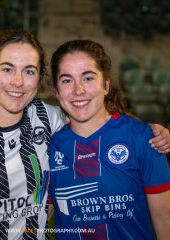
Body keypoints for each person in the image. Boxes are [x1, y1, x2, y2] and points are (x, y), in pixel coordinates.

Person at [0, 29, 169, 240]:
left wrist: (152, 132)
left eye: (29, 71)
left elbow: (96, 116)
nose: (18, 81)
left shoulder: (49, 118)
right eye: (7, 69)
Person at [49, 39, 170, 240]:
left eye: (88, 78)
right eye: (67, 80)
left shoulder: (143, 138)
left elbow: (165, 220)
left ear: (106, 85)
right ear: (56, 91)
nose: (78, 90)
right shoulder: (51, 146)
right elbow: (37, 216)